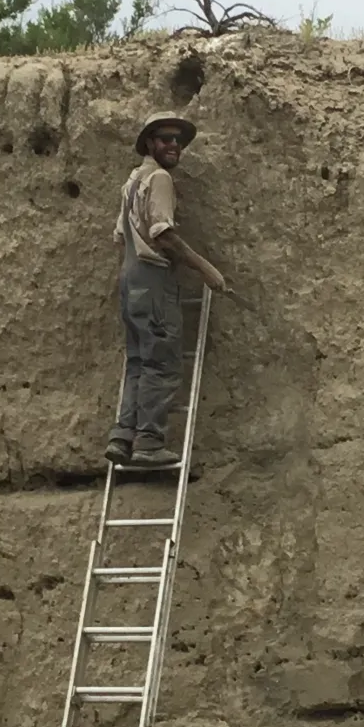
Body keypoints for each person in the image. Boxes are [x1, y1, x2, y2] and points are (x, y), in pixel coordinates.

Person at [104, 111, 227, 468]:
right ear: (149, 143)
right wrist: (207, 270)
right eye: (165, 139)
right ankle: (149, 442)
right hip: (152, 280)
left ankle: (123, 435)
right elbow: (163, 234)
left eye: (178, 140)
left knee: (139, 363)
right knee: (162, 364)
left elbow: (118, 237)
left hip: (130, 280)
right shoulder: (158, 179)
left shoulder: (131, 182)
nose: (173, 145)